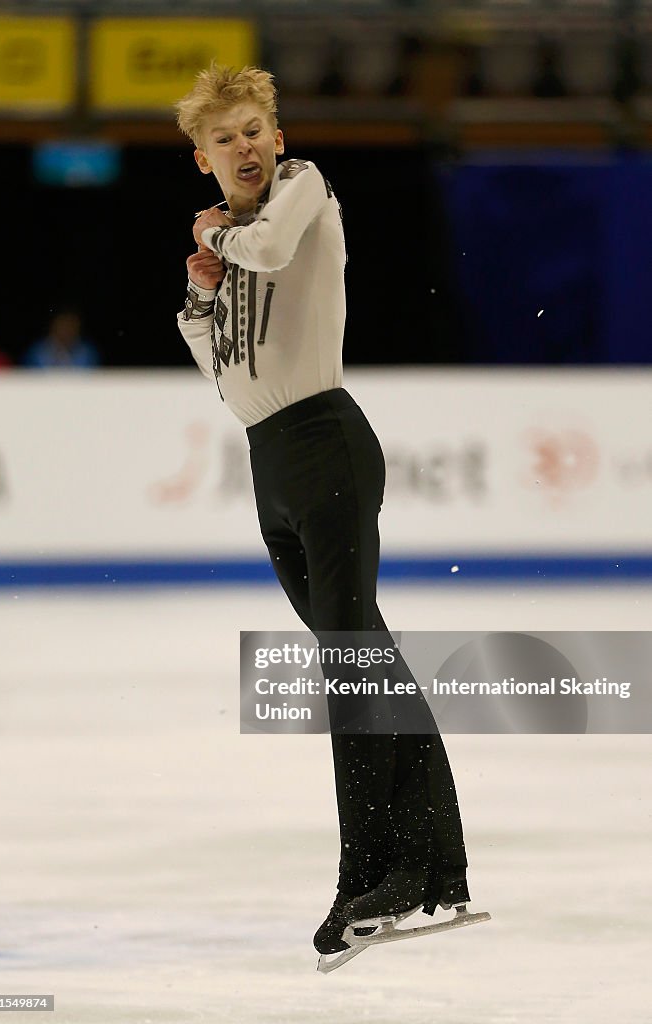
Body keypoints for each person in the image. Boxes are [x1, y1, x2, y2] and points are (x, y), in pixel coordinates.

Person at [175, 63, 475, 964]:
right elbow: (214, 358)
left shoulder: (304, 190)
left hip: (326, 443)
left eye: (254, 129)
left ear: (277, 136)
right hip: (270, 462)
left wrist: (218, 247)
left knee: (349, 661)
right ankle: (430, 868)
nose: (244, 147)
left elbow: (265, 256)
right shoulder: (228, 238)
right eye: (223, 137)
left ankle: (369, 875)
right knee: (364, 654)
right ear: (202, 158)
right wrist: (199, 286)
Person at [24, 309, 99, 369]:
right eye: (63, 324)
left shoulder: (88, 353)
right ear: (53, 325)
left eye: (71, 325)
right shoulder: (36, 352)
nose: (67, 329)